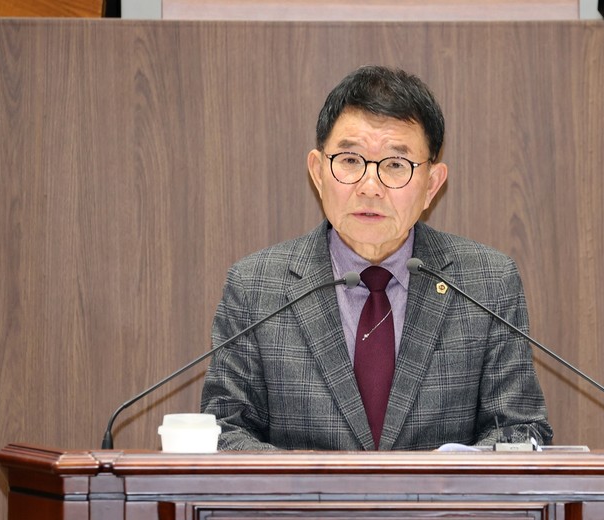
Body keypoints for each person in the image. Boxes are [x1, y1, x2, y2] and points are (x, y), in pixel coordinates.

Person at [201, 66, 553, 450]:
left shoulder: (487, 283)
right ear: (318, 172)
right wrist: (319, 479)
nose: (370, 187)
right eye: (350, 160)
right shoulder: (254, 288)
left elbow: (521, 432)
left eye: (395, 165)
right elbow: (224, 432)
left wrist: (435, 479)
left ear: (432, 185)